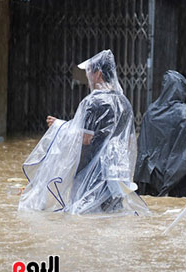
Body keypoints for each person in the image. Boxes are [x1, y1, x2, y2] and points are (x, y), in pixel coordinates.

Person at [19, 50, 148, 215]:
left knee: (85, 218)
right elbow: (128, 141)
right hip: (116, 175)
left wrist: (60, 126)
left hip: (91, 174)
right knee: (111, 218)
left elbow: (86, 138)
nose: (86, 78)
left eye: (88, 72)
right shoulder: (124, 103)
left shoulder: (93, 102)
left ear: (98, 74)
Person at [134, 70, 186, 197]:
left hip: (151, 176)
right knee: (176, 208)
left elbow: (142, 146)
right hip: (178, 176)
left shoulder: (151, 112)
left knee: (153, 209)